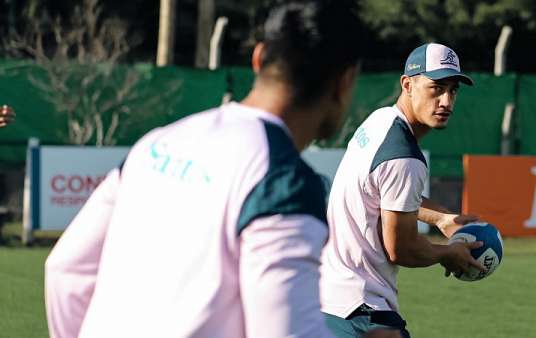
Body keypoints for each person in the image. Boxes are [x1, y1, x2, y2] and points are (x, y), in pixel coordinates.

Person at [44, 2, 365, 337]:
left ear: (258, 58)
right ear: (345, 83)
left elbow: (66, 270)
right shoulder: (283, 181)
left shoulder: (159, 141)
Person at [320, 43, 486, 338]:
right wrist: (448, 254)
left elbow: (381, 194)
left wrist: (440, 218)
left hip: (328, 300)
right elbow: (402, 248)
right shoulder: (404, 156)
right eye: (436, 88)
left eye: (453, 90)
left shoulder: (379, 122)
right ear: (407, 84)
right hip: (364, 313)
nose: (446, 101)